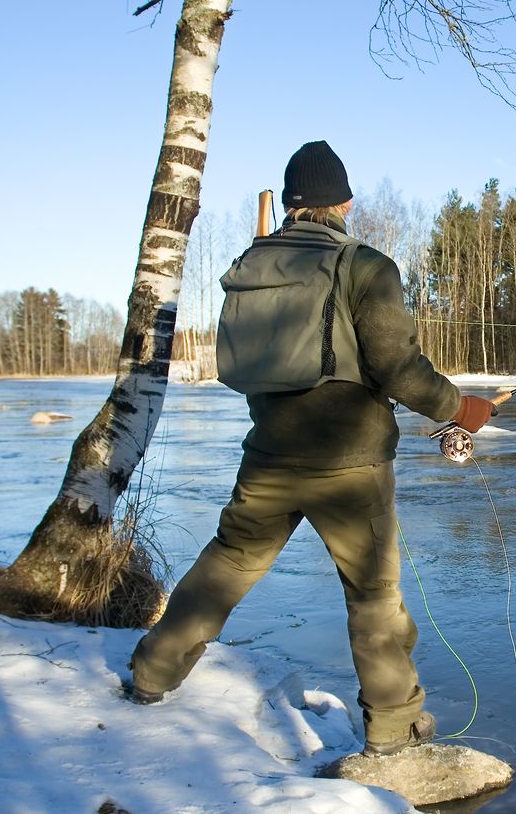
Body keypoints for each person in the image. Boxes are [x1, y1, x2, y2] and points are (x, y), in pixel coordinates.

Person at [129, 140, 495, 757]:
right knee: (374, 598)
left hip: (269, 455)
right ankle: (394, 728)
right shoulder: (366, 266)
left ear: (293, 205)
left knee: (225, 567)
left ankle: (150, 675)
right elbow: (398, 368)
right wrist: (461, 408)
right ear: (344, 203)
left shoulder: (252, 265)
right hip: (352, 469)